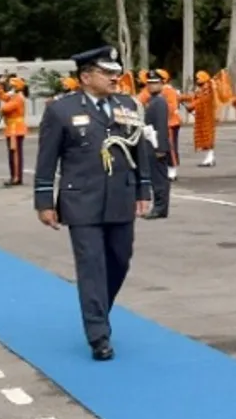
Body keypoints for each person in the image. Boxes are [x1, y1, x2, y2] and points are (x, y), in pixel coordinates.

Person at [34, 46, 153, 360]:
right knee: (91, 267)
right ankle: (98, 334)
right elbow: (47, 159)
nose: (115, 77)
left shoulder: (128, 105)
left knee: (119, 260)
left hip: (120, 198)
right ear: (86, 76)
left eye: (116, 72)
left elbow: (138, 151)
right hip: (81, 200)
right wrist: (44, 200)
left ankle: (99, 309)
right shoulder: (61, 110)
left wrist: (143, 191)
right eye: (107, 72)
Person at [142, 69, 172, 219]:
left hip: (156, 144)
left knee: (159, 179)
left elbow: (161, 126)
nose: (151, 86)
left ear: (162, 84)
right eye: (149, 83)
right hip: (150, 142)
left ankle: (160, 208)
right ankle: (159, 206)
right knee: (155, 177)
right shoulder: (151, 101)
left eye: (155, 83)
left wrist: (161, 148)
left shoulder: (159, 102)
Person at [0, 75, 28, 186]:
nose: (10, 88)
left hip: (16, 129)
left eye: (12, 86)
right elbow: (3, 97)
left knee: (15, 155)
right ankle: (14, 176)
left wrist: (2, 110)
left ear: (17, 87)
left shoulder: (18, 97)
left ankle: (16, 178)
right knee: (12, 154)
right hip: (12, 128)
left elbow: (6, 107)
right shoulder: (14, 95)